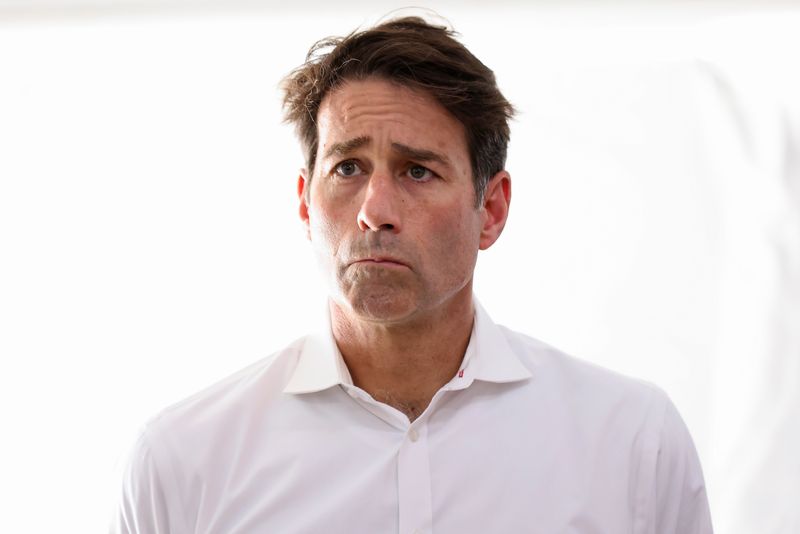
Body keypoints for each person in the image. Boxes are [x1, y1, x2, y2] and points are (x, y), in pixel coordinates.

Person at [113, 16, 713, 534]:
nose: (375, 209)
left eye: (417, 171)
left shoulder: (633, 443)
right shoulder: (183, 462)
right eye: (347, 166)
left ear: (492, 210)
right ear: (304, 203)